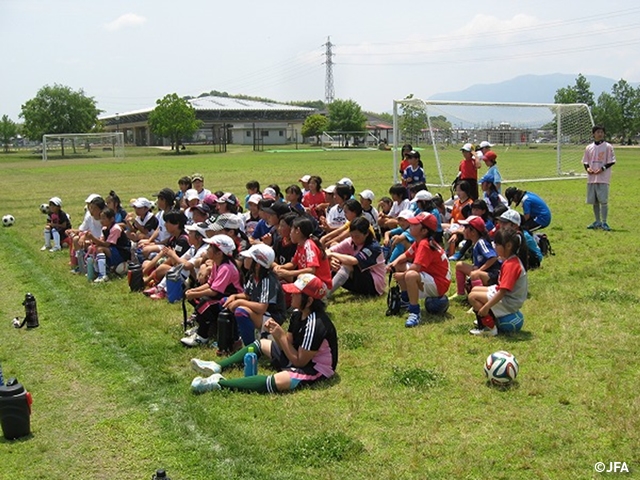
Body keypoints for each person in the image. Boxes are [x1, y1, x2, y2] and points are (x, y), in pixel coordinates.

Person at [189, 273, 337, 394]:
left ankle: (219, 383)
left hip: (315, 369)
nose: (291, 295)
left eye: (296, 294)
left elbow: (299, 362)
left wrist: (279, 335)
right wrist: (278, 335)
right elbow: (290, 345)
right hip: (299, 356)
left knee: (279, 381)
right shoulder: (298, 314)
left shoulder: (316, 324)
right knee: (263, 343)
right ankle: (217, 366)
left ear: (309, 301)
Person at [387, 212, 451, 328]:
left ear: (424, 231)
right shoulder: (419, 241)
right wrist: (393, 263)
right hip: (432, 277)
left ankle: (414, 312)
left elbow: (415, 268)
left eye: (415, 224)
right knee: (400, 265)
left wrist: (401, 276)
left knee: (410, 275)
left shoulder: (424, 244)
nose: (410, 225)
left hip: (439, 283)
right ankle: (406, 300)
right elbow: (406, 255)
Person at [181, 235, 243, 347]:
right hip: (219, 296)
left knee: (204, 303)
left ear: (219, 253)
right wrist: (193, 290)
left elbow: (214, 291)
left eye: (210, 247)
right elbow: (210, 284)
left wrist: (195, 293)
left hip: (228, 299)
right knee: (193, 295)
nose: (207, 249)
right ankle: (204, 326)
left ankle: (202, 336)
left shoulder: (226, 268)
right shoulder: (216, 264)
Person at [468, 228, 528, 337]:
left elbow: (502, 292)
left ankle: (489, 327)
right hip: (507, 297)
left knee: (473, 297)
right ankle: (488, 318)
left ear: (508, 246)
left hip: (510, 302)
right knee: (474, 290)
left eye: (497, 244)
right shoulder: (510, 260)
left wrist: (486, 307)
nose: (494, 247)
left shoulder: (511, 265)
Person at [224, 244, 287, 346]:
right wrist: (234, 297)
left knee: (241, 311)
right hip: (260, 312)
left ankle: (251, 346)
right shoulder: (253, 275)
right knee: (225, 301)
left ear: (257, 264)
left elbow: (262, 307)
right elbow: (247, 295)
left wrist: (239, 302)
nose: (245, 259)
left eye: (249, 258)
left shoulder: (268, 279)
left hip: (272, 317)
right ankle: (235, 339)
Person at [327, 217, 386, 297]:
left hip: (374, 286)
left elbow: (354, 261)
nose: (354, 239)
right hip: (359, 282)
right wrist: (332, 260)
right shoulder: (350, 241)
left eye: (357, 236)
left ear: (366, 234)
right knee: (335, 264)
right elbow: (328, 251)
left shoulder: (374, 247)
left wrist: (332, 255)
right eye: (352, 235)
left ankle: (325, 294)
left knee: (347, 264)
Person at [449, 215, 500, 302]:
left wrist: (479, 270)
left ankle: (478, 299)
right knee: (459, 265)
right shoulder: (475, 243)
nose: (463, 230)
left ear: (473, 232)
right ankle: (460, 293)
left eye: (465, 228)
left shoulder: (481, 242)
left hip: (492, 276)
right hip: (485, 273)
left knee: (475, 274)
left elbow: (493, 257)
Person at [273, 216, 332, 290]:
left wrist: (288, 273)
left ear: (297, 231)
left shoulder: (309, 245)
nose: (290, 234)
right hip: (308, 280)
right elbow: (293, 264)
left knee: (300, 277)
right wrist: (281, 267)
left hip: (321, 285)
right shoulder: (300, 245)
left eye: (291, 230)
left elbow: (311, 270)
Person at [582, 125, 616, 231]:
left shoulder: (608, 147)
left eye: (601, 132)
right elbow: (585, 161)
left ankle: (604, 222)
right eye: (598, 132)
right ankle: (597, 221)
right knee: (595, 201)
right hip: (592, 179)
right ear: (593, 134)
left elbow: (611, 161)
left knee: (603, 201)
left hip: (603, 178)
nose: (600, 134)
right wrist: (588, 169)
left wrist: (602, 168)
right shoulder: (589, 147)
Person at [85, 208, 131, 283]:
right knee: (91, 248)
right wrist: (91, 241)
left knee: (100, 249)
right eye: (101, 218)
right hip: (113, 250)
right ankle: (95, 271)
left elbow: (107, 244)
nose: (101, 220)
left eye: (104, 218)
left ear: (112, 219)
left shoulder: (116, 229)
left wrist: (92, 238)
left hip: (122, 253)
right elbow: (101, 241)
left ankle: (102, 275)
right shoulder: (105, 228)